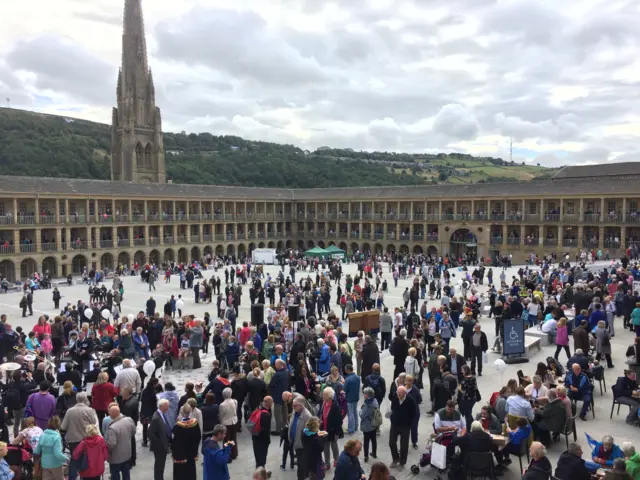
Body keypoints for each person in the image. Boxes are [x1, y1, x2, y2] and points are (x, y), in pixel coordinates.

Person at [61, 392, 98, 480]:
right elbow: (93, 423)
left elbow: (63, 426)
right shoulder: (89, 410)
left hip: (73, 440)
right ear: (85, 399)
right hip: (86, 440)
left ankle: (72, 478)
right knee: (86, 460)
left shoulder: (70, 411)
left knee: (74, 460)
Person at [389, 385, 417, 469]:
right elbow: (392, 407)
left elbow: (413, 413)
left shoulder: (410, 401)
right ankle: (395, 459)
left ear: (405, 393)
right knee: (392, 442)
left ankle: (402, 462)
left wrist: (409, 423)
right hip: (395, 423)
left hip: (405, 426)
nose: (398, 396)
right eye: (398, 393)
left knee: (404, 445)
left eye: (400, 394)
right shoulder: (395, 396)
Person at [105, 404, 137, 480]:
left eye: (110, 412)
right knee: (126, 475)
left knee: (115, 476)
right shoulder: (129, 420)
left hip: (115, 458)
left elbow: (111, 444)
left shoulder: (112, 428)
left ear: (112, 414)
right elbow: (133, 432)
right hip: (127, 454)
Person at [171, 404, 202, 480]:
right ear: (191, 412)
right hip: (191, 452)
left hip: (181, 454)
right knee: (190, 471)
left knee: (181, 473)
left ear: (182, 412)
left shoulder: (177, 427)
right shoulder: (195, 424)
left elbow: (174, 441)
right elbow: (198, 438)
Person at [33, 416, 68, 480]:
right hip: (56, 464)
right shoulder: (56, 437)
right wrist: (67, 459)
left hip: (45, 463)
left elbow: (36, 451)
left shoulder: (42, 435)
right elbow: (57, 454)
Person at [286, 396, 312, 478]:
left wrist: (304, 437)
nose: (293, 407)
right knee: (302, 464)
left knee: (301, 466)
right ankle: (306, 473)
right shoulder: (295, 411)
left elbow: (310, 432)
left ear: (301, 405)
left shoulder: (307, 416)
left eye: (295, 405)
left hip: (302, 445)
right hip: (295, 442)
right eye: (292, 405)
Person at [318, 387, 343, 470]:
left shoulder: (335, 407)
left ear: (329, 396)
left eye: (324, 394)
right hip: (323, 429)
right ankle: (327, 463)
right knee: (325, 447)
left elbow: (339, 421)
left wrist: (337, 432)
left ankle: (337, 460)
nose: (322, 395)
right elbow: (320, 413)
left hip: (332, 431)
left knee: (334, 445)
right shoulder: (323, 403)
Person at [148, 398, 172, 480]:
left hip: (163, 445)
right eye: (166, 406)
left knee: (161, 465)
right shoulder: (156, 418)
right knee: (159, 465)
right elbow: (150, 434)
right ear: (161, 406)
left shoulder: (161, 414)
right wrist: (160, 444)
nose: (167, 408)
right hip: (160, 447)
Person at [252, 396, 273, 473]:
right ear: (269, 403)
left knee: (258, 457)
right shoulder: (266, 414)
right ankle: (261, 475)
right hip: (262, 440)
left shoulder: (258, 409)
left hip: (255, 437)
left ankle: (259, 473)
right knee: (262, 458)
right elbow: (266, 431)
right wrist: (268, 441)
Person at [359, 387, 379, 463]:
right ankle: (374, 453)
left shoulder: (367, 405)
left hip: (367, 426)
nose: (363, 395)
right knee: (374, 440)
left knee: (366, 441)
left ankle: (366, 456)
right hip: (374, 424)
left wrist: (360, 410)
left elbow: (362, 415)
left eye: (364, 393)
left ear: (367, 395)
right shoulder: (375, 401)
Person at [219, 388, 238, 460]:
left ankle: (227, 455)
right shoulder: (235, 401)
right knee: (233, 438)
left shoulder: (222, 405)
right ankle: (234, 453)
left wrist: (221, 424)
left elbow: (221, 416)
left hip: (226, 423)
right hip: (234, 421)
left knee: (226, 440)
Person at [344, 364, 361, 434]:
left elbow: (345, 389)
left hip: (349, 399)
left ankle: (351, 429)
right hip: (356, 398)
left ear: (348, 370)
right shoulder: (357, 377)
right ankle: (356, 427)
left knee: (350, 414)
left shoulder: (347, 379)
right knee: (355, 412)